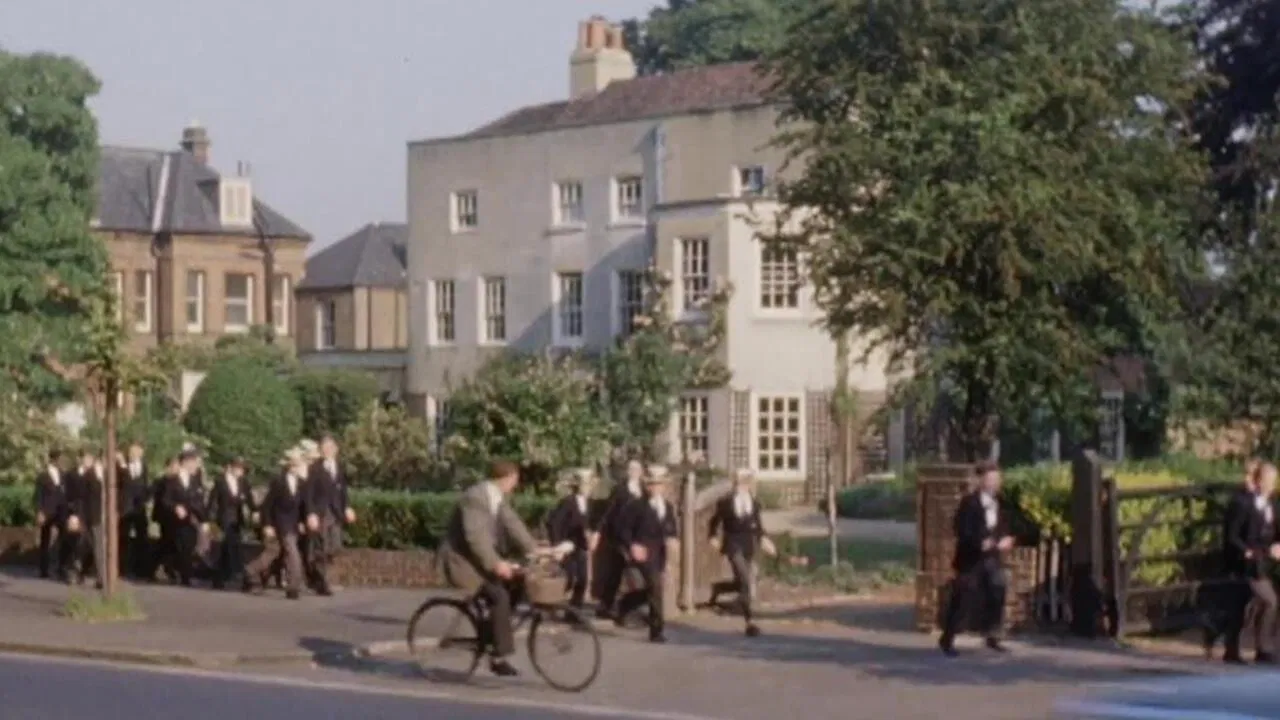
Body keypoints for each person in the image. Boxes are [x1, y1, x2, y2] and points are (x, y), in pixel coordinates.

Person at [437, 460, 539, 677]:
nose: (515, 485)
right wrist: (496, 564)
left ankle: (493, 634)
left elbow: (514, 525)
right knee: (499, 596)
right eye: (515, 480)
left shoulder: (497, 499)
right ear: (507, 478)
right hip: (462, 562)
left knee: (516, 584)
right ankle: (498, 655)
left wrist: (535, 550)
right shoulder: (475, 498)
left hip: (477, 560)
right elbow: (476, 538)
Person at [939, 460, 1014, 657]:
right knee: (963, 597)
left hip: (991, 557)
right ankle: (948, 638)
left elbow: (1004, 526)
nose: (995, 483)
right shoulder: (969, 502)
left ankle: (993, 635)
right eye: (990, 479)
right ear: (981, 481)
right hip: (970, 559)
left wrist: (1005, 539)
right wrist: (978, 543)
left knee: (997, 588)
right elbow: (960, 529)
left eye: (997, 479)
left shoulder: (1001, 502)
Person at [1220, 461, 1280, 664]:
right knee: (1268, 601)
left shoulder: (1273, 503)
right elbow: (1232, 535)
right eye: (1268, 480)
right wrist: (1245, 550)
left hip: (1264, 561)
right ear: (1259, 481)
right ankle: (1260, 648)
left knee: (1244, 604)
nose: (1272, 485)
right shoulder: (1244, 503)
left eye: (1274, 481)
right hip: (1247, 563)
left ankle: (1248, 648)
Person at [708, 468, 777, 637]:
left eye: (747, 482)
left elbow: (758, 526)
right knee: (746, 579)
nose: (744, 486)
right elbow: (714, 522)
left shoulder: (754, 503)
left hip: (748, 545)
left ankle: (719, 588)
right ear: (735, 483)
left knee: (741, 582)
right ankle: (749, 622)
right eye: (741, 482)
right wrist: (712, 537)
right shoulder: (725, 502)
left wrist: (765, 540)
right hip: (732, 544)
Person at [615, 465, 679, 643]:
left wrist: (673, 539)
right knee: (655, 586)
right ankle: (656, 630)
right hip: (642, 551)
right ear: (646, 486)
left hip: (660, 552)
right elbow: (622, 529)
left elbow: (671, 528)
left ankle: (626, 603)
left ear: (664, 486)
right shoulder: (636, 506)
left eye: (659, 484)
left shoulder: (667, 506)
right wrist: (632, 545)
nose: (655, 488)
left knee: (654, 588)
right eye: (652, 484)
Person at [245, 448, 307, 599]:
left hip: (293, 524)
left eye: (299, 464)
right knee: (293, 554)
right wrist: (267, 525)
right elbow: (267, 505)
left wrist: (302, 521)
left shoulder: (301, 484)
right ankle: (293, 586)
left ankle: (250, 571)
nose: (297, 467)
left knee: (272, 552)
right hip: (279, 523)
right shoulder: (278, 482)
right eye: (294, 464)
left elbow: (302, 506)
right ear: (289, 465)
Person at [302, 434, 356, 596]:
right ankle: (322, 582)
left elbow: (343, 491)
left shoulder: (339, 467)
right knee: (322, 546)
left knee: (335, 546)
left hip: (336, 512)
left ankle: (314, 569)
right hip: (321, 513)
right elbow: (308, 493)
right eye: (324, 448)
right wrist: (311, 513)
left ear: (336, 449)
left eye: (330, 448)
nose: (327, 451)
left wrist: (347, 508)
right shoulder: (315, 468)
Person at [597, 458, 646, 619]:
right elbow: (608, 512)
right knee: (615, 572)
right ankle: (606, 605)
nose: (634, 472)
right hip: (619, 537)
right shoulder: (619, 490)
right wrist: (599, 531)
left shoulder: (644, 490)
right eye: (631, 469)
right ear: (627, 471)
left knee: (639, 572)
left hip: (638, 537)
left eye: (637, 469)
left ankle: (631, 605)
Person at [546, 468, 599, 609]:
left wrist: (594, 534)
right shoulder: (567, 502)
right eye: (584, 485)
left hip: (581, 545)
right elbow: (554, 523)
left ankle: (575, 608)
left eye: (589, 485)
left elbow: (594, 522)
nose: (587, 488)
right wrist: (557, 545)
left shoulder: (591, 503)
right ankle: (556, 603)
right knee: (569, 577)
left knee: (583, 578)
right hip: (567, 545)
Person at [160, 449, 207, 586]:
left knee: (189, 546)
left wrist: (204, 520)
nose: (196, 465)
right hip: (176, 521)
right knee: (181, 547)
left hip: (191, 519)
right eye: (193, 462)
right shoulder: (172, 480)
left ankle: (183, 574)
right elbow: (165, 500)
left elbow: (199, 501)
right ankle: (183, 576)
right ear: (186, 463)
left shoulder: (195, 481)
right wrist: (176, 507)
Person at [208, 457, 256, 590]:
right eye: (238, 468)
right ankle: (227, 577)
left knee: (231, 548)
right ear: (230, 467)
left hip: (237, 520)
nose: (241, 471)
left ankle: (224, 576)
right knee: (226, 548)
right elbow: (213, 501)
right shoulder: (220, 482)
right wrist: (209, 520)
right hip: (223, 519)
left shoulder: (243, 483)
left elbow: (250, 501)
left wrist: (255, 511)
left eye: (242, 469)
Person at [65, 448, 106, 588]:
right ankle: (100, 578)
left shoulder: (108, 475)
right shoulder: (87, 475)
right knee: (94, 547)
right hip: (91, 516)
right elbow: (81, 499)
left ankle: (79, 572)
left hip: (103, 516)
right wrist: (77, 516)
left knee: (92, 547)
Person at [33, 450, 68, 581]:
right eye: (59, 459)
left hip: (61, 511)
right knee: (45, 540)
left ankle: (61, 568)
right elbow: (38, 495)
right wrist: (39, 511)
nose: (60, 462)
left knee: (64, 538)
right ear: (53, 460)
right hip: (47, 510)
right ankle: (44, 569)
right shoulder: (42, 476)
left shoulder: (63, 474)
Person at [117, 442, 150, 579]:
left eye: (136, 452)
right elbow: (121, 484)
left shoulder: (144, 467)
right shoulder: (122, 466)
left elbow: (145, 485)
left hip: (139, 507)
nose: (133, 454)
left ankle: (141, 569)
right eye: (131, 451)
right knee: (123, 538)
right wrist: (123, 466)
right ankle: (123, 568)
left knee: (142, 536)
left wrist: (145, 499)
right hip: (126, 507)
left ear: (141, 453)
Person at [150, 456, 181, 582]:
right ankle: (160, 568)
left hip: (170, 517)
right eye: (175, 466)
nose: (177, 469)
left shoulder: (172, 480)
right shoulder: (163, 480)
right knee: (166, 543)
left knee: (169, 543)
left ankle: (168, 569)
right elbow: (160, 499)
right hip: (165, 517)